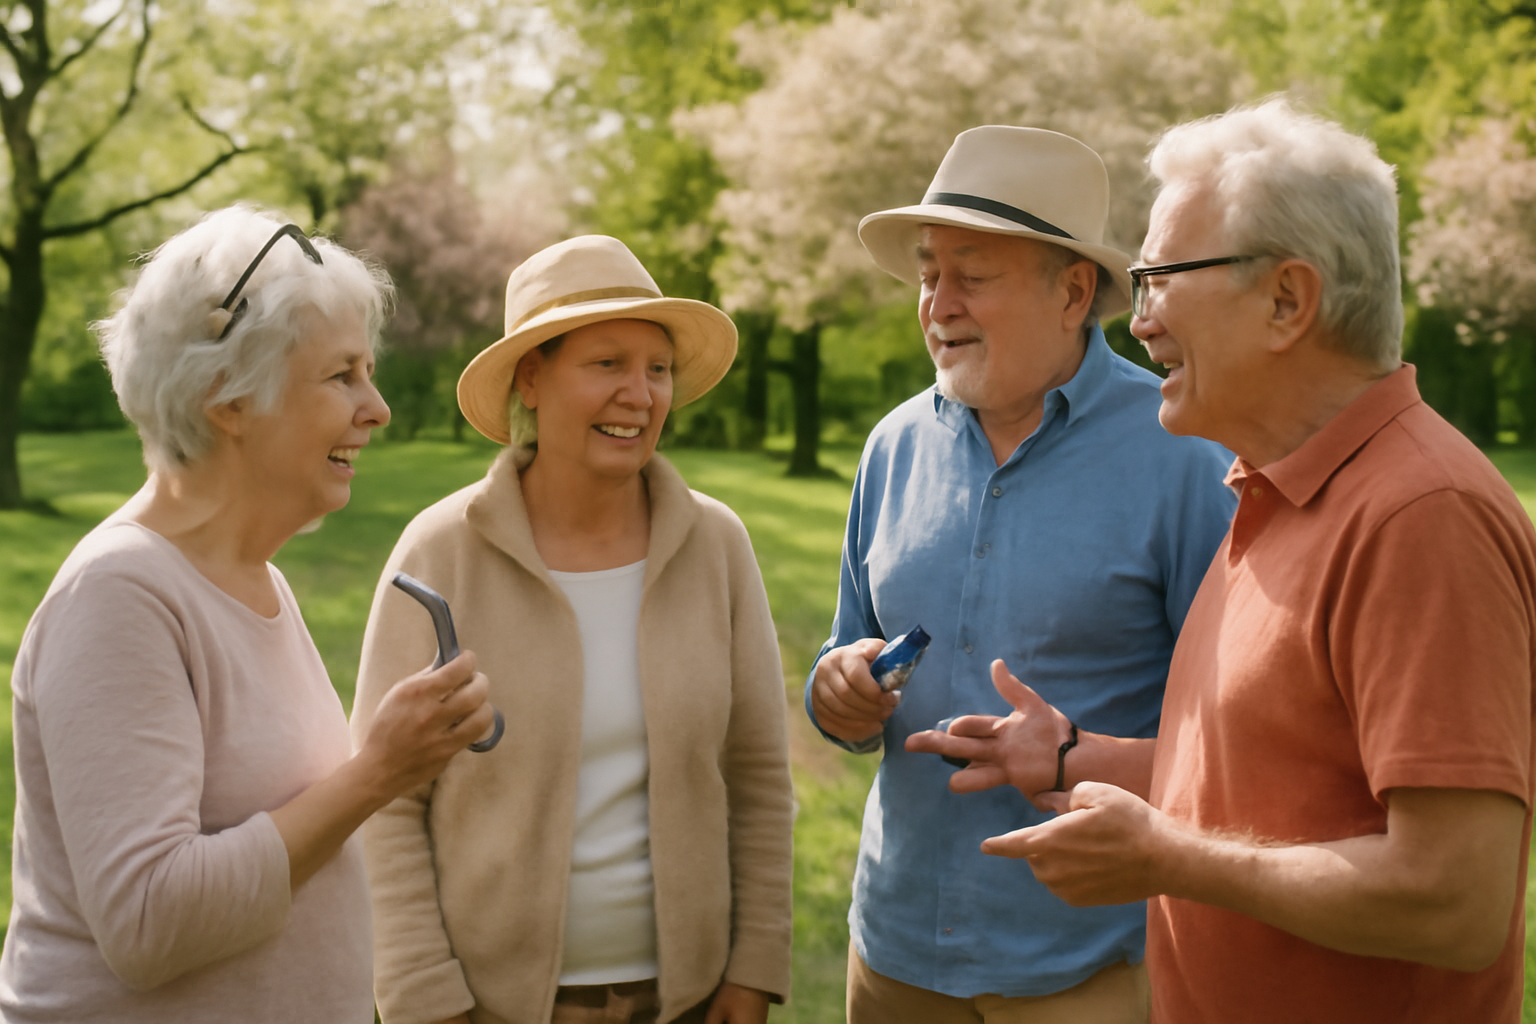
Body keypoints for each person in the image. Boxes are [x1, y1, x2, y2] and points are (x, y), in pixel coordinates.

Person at [922, 99, 1536, 1023]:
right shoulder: (1269, 492)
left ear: (1288, 300)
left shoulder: (1422, 515)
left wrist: (1166, 858)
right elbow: (1267, 785)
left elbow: (1454, 901)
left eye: (1162, 278)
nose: (1139, 322)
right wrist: (1071, 757)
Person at [0, 206, 495, 1023]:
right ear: (228, 398)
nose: (378, 409)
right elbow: (150, 923)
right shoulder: (119, 596)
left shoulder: (255, 580)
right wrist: (376, 774)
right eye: (342, 376)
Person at [807, 126, 1235, 1022]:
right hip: (892, 957)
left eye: (974, 274)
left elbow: (1232, 746)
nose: (938, 303)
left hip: (1086, 964)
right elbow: (846, 654)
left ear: (1073, 290)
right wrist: (837, 687)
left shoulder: (1184, 456)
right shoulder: (891, 448)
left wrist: (1080, 757)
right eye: (929, 274)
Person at [352, 235, 793, 1024]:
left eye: (657, 368)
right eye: (607, 364)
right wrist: (426, 1000)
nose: (642, 393)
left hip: (687, 1003)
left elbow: (757, 773)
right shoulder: (439, 552)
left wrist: (752, 968)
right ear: (532, 376)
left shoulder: (716, 545)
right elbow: (383, 802)